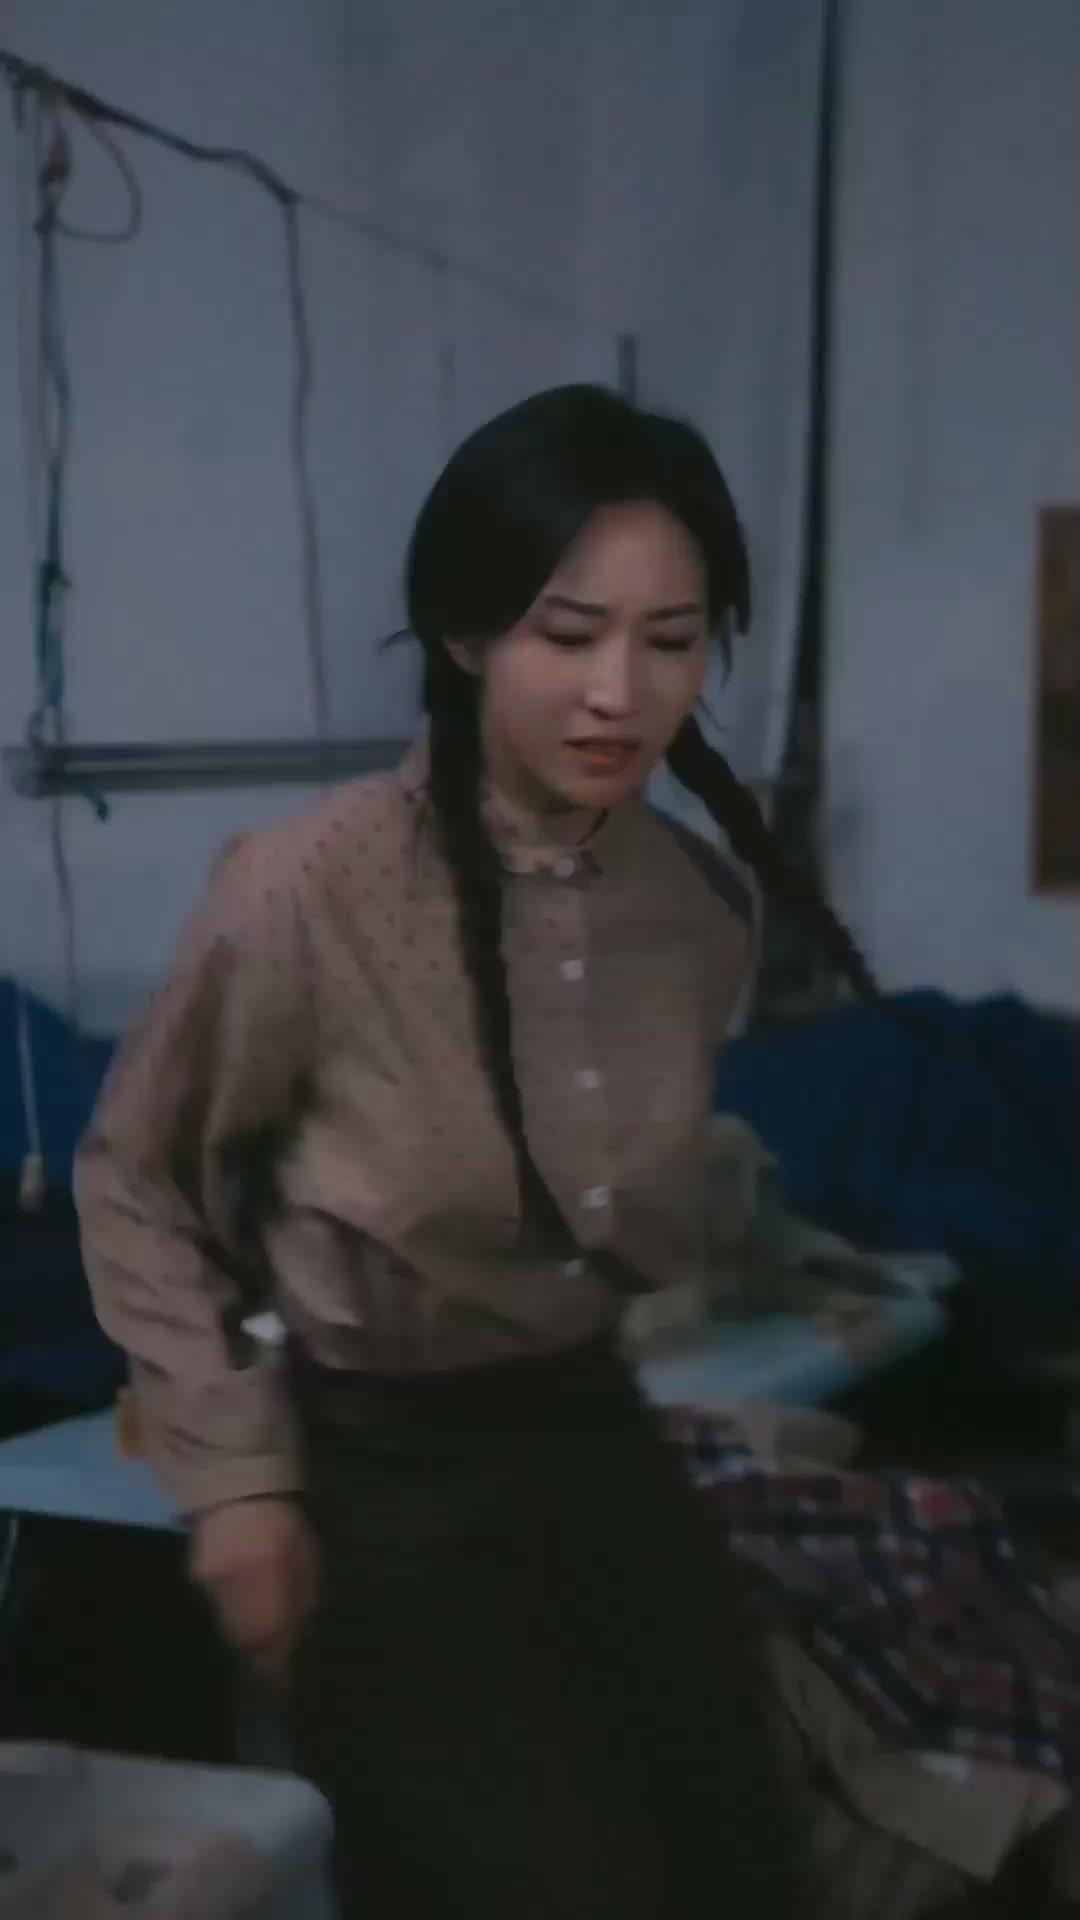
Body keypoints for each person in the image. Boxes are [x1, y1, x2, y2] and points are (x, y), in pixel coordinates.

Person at [76, 384, 872, 1916]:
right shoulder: (306, 891)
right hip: (381, 1475)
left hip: (587, 1432)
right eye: (568, 634)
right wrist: (237, 1487)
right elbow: (136, 1182)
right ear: (464, 632)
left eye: (671, 639)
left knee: (735, 1862)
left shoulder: (697, 911)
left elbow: (633, 1198)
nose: (620, 692)